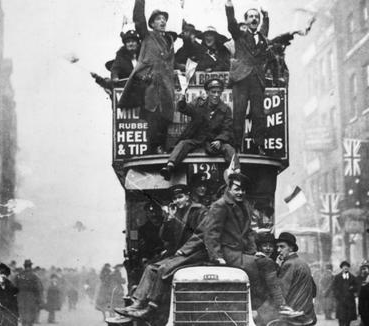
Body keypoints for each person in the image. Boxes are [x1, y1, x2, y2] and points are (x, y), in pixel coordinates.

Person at [203, 173, 301, 317]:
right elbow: (211, 233)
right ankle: (276, 306)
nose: (240, 192)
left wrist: (254, 252)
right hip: (228, 252)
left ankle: (275, 306)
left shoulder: (244, 206)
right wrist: (217, 257)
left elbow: (248, 232)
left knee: (266, 263)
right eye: (237, 189)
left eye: (243, 189)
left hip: (240, 252)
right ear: (229, 188)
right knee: (265, 265)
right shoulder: (220, 205)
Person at [116, 184, 208, 319]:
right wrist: (168, 219)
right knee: (151, 268)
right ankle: (138, 303)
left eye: (180, 197)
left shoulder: (199, 211)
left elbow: (202, 234)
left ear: (188, 196)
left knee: (164, 268)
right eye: (175, 199)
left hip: (196, 253)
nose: (177, 201)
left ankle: (152, 307)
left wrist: (184, 250)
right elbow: (165, 237)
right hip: (182, 254)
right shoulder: (178, 213)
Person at [119, 0, 176, 154]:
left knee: (166, 117)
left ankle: (162, 148)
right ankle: (152, 149)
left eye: (163, 19)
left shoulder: (170, 40)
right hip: (151, 86)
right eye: (158, 19)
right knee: (153, 117)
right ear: (151, 24)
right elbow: (138, 19)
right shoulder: (147, 36)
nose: (162, 21)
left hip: (166, 87)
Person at [159, 79, 238, 180]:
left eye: (219, 92)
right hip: (197, 139)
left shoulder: (226, 109)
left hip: (213, 142)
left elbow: (227, 129)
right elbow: (185, 109)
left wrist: (220, 140)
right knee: (183, 144)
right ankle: (169, 167)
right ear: (207, 92)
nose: (216, 95)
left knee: (229, 149)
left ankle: (237, 172)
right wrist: (183, 97)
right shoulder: (198, 104)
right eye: (213, 92)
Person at [225, 0, 270, 155]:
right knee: (239, 113)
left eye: (256, 17)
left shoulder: (262, 36)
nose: (253, 19)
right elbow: (231, 22)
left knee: (258, 114)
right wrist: (229, 0)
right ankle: (237, 146)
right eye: (250, 16)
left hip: (257, 79)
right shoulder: (239, 35)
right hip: (242, 79)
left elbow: (266, 26)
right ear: (245, 20)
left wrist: (265, 15)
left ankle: (259, 146)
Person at [275, 232, 317, 324]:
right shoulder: (303, 263)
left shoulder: (289, 264)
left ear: (291, 248)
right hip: (307, 314)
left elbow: (282, 292)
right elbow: (314, 291)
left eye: (282, 247)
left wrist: (277, 268)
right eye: (277, 247)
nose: (278, 250)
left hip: (294, 317)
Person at [15, 259, 43, 326]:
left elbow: (14, 287)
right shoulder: (34, 276)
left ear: (24, 266)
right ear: (31, 266)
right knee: (31, 317)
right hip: (31, 298)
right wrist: (39, 300)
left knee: (23, 316)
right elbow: (38, 289)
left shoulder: (18, 276)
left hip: (21, 298)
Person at [330, 261, 358, 326]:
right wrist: (338, 296)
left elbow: (356, 287)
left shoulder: (352, 277)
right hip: (341, 301)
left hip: (350, 301)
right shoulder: (337, 277)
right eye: (344, 267)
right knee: (341, 319)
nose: (345, 268)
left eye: (347, 267)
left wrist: (352, 288)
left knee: (348, 319)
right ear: (342, 268)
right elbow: (334, 288)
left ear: (348, 268)